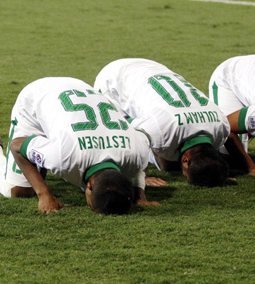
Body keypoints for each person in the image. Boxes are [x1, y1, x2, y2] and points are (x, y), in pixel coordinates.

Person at [0, 77, 155, 214]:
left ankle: (40, 153)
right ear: (90, 186)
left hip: (79, 91)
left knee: (57, 158)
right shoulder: (64, 156)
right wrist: (43, 193)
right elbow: (16, 145)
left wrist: (139, 194)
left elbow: (142, 146)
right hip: (37, 98)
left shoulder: (137, 154)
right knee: (19, 190)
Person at [94, 58, 230, 187]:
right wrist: (141, 178)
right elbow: (126, 131)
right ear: (186, 160)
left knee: (166, 158)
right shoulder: (159, 129)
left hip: (153, 68)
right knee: (120, 134)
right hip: (114, 79)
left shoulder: (222, 126)